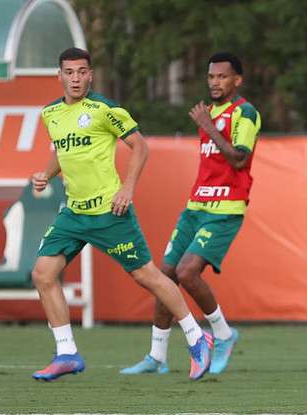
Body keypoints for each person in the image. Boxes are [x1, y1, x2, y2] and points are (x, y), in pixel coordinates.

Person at [31, 48, 211, 381]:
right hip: (73, 213)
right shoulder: (50, 114)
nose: (75, 78)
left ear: (90, 75)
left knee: (148, 276)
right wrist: (45, 173)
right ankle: (67, 352)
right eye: (69, 72)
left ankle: (197, 338)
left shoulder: (105, 110)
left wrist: (127, 189)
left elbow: (140, 146)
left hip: (109, 212)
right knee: (43, 274)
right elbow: (64, 151)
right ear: (59, 76)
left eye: (81, 72)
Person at [121, 52, 261, 375]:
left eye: (222, 77)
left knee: (187, 273)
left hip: (225, 209)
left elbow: (238, 159)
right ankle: (157, 354)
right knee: (164, 274)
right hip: (195, 207)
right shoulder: (208, 112)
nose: (215, 82)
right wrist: (208, 122)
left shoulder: (246, 113)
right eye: (211, 77)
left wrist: (208, 126)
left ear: (237, 80)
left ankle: (224, 334)